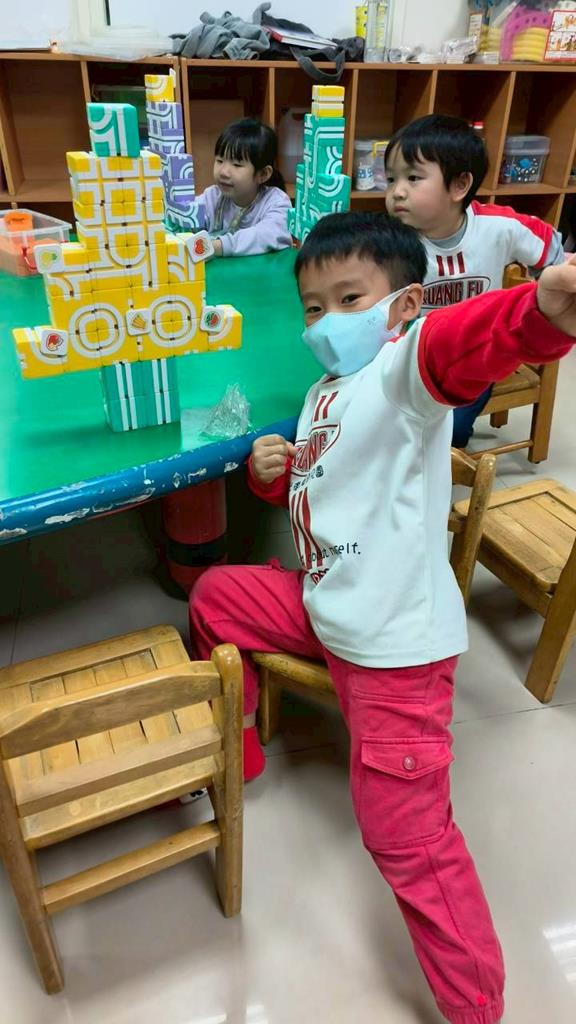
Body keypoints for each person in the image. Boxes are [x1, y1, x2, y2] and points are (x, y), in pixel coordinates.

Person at [190, 210, 576, 1024]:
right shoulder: (324, 392)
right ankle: (241, 750)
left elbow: (457, 346)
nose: (326, 322)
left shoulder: (403, 372)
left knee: (406, 839)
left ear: (401, 306)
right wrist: (271, 474)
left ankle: (477, 1008)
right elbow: (321, 490)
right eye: (312, 307)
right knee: (216, 595)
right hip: (327, 601)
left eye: (349, 299)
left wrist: (535, 313)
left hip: (394, 649)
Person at [384, 113, 565, 447]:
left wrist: (545, 294)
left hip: (476, 358)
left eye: (413, 178)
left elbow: (551, 249)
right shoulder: (390, 241)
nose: (397, 192)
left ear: (459, 186)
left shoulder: (499, 226)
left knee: (447, 432)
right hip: (413, 360)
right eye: (391, 179)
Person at [200, 117, 292, 257]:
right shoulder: (212, 197)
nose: (223, 172)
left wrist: (217, 246)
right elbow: (187, 218)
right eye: (219, 160)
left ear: (263, 174)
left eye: (237, 165)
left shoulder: (277, 202)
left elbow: (266, 235)